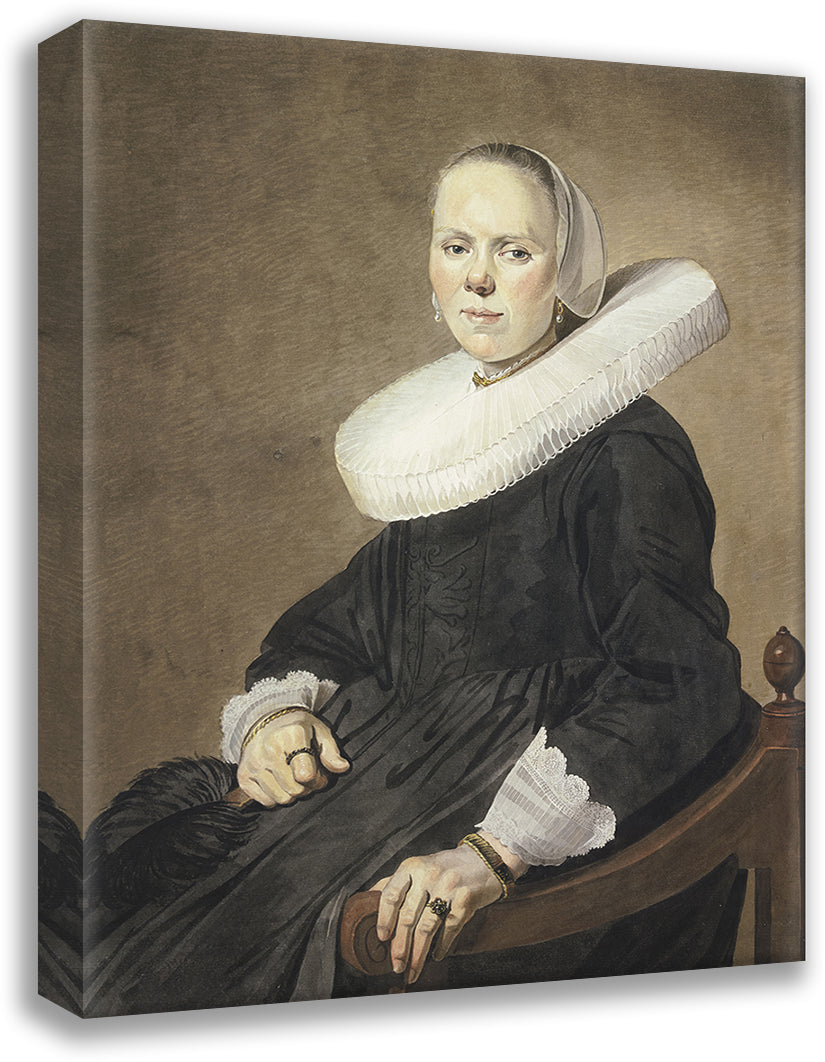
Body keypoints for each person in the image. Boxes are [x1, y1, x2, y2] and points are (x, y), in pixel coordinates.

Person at [76, 143, 758, 1016]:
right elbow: (341, 625)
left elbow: (679, 680)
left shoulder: (627, 452)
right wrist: (279, 719)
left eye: (513, 251)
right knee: (133, 917)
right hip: (401, 776)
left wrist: (494, 853)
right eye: (456, 246)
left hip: (549, 813)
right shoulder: (456, 446)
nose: (478, 278)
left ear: (566, 276)